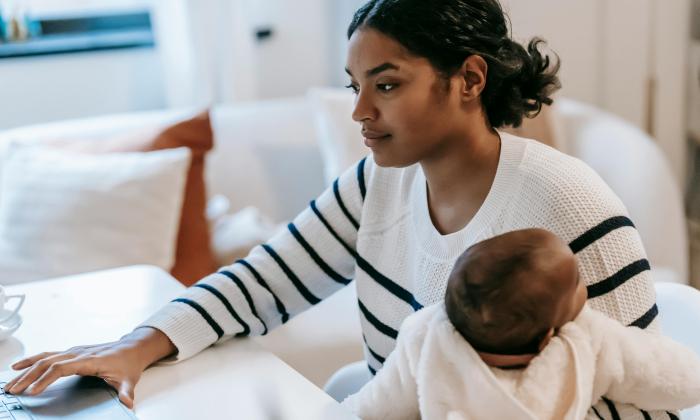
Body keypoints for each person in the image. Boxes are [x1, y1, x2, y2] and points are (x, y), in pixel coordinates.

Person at [3, 0, 668, 418]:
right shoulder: (373, 184)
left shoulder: (568, 206)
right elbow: (266, 281)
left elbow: (643, 403)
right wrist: (134, 346)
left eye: (387, 84)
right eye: (356, 87)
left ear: (469, 79)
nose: (360, 112)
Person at [342, 229, 700, 419]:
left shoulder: (425, 337)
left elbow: (378, 405)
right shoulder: (585, 342)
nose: (585, 284)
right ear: (548, 337)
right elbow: (665, 374)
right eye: (577, 281)